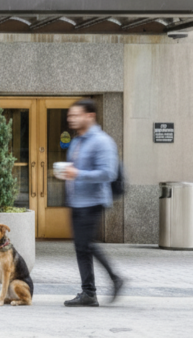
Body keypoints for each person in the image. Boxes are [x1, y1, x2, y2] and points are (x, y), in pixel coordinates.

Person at [61, 99, 124, 306]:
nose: (71, 119)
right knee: (82, 247)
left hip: (93, 202)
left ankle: (113, 280)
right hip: (76, 201)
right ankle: (89, 293)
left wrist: (77, 173)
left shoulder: (102, 141)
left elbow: (108, 173)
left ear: (90, 116)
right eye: (70, 115)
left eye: (76, 115)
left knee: (85, 245)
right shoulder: (77, 141)